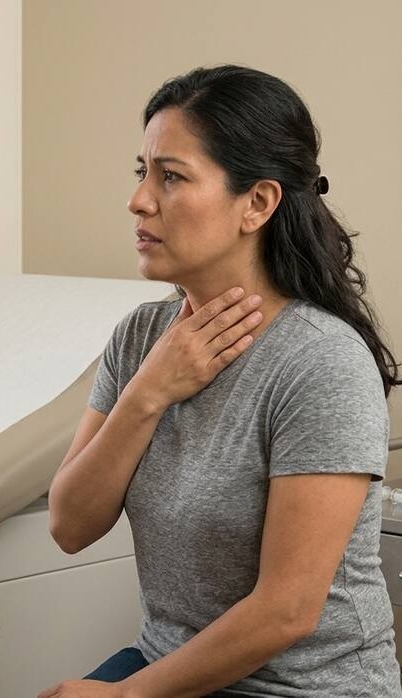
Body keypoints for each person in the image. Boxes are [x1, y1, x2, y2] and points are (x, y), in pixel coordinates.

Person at [39, 65, 401, 697]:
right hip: (166, 663)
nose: (139, 200)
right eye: (142, 172)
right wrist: (149, 391)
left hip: (305, 689)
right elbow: (70, 526)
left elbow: (287, 611)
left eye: (171, 176)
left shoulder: (322, 363)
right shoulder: (140, 337)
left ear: (257, 203)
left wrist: (122, 695)